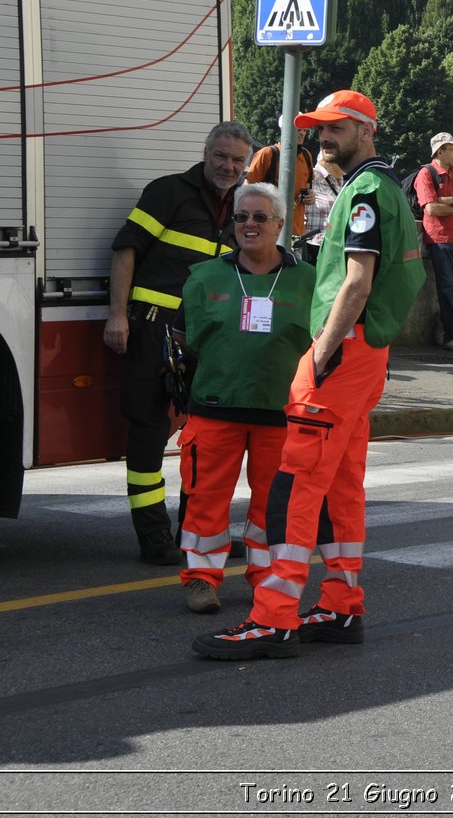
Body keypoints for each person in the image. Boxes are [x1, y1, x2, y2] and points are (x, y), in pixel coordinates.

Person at [193, 90, 426, 659]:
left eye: (336, 127)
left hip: (343, 354)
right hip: (366, 354)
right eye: (318, 127)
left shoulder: (365, 191)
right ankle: (343, 605)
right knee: (343, 484)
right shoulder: (386, 187)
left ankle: (274, 618)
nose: (324, 137)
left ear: (366, 130)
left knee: (295, 486)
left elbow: (356, 280)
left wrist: (321, 353)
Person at [105, 120, 251, 566]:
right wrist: (116, 315)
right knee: (149, 432)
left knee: (205, 437)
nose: (227, 165)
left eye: (237, 160)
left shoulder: (241, 208)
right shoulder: (168, 192)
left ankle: (199, 531)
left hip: (204, 341)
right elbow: (125, 248)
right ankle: (154, 539)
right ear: (205, 153)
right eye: (220, 156)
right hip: (153, 330)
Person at [172, 182, 314, 614]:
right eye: (240, 217)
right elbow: (182, 339)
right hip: (216, 406)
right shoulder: (205, 277)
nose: (249, 225)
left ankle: (266, 579)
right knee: (205, 498)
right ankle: (200, 579)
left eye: (259, 217)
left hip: (281, 411)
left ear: (279, 224)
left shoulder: (309, 280)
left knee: (273, 506)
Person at [414, 131, 453, 353]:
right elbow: (431, 209)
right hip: (439, 237)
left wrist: (449, 201)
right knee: (446, 286)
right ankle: (451, 335)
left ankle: (444, 320)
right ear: (439, 151)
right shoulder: (426, 174)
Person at [244, 129, 316, 238]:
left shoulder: (306, 156)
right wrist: (277, 201)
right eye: (298, 129)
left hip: (297, 233)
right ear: (284, 128)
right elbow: (246, 191)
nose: (302, 133)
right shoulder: (267, 154)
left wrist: (311, 197)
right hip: (267, 232)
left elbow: (307, 186)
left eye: (305, 130)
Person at [296, 146, 345, 265]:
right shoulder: (311, 176)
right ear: (330, 162)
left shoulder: (342, 180)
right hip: (312, 248)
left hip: (335, 248)